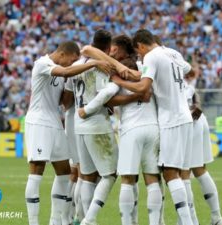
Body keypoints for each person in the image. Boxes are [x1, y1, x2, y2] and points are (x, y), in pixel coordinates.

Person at [111, 29, 194, 225]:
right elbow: (188, 69)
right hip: (184, 116)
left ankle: (189, 222)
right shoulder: (173, 52)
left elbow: (143, 88)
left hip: (170, 118)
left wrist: (119, 80)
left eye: (138, 52)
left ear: (140, 45)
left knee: (170, 173)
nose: (140, 56)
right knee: (175, 173)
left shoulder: (151, 57)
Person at [24, 40, 111, 225]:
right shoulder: (42, 64)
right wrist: (93, 62)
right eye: (71, 60)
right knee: (36, 171)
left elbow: (64, 101)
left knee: (64, 172)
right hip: (38, 122)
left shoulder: (63, 71)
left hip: (55, 122)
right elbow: (64, 71)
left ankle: (55, 221)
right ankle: (33, 222)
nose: (71, 64)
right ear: (62, 54)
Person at [80, 35, 163, 225]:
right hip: (152, 127)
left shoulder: (117, 75)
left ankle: (126, 222)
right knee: (152, 178)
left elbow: (108, 97)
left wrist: (87, 109)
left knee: (127, 178)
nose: (111, 54)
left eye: (115, 51)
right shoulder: (146, 68)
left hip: (131, 129)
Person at [64, 30, 118, 225]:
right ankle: (89, 219)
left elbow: (67, 99)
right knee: (110, 174)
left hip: (78, 126)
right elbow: (104, 94)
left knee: (86, 177)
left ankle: (85, 219)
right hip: (96, 124)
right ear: (106, 48)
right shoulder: (101, 67)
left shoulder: (76, 66)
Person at [181, 73, 222, 225]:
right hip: (197, 118)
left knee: (183, 173)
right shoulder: (172, 61)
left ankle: (189, 221)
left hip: (185, 120)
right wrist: (197, 104)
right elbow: (192, 89)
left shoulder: (152, 63)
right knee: (200, 170)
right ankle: (216, 217)